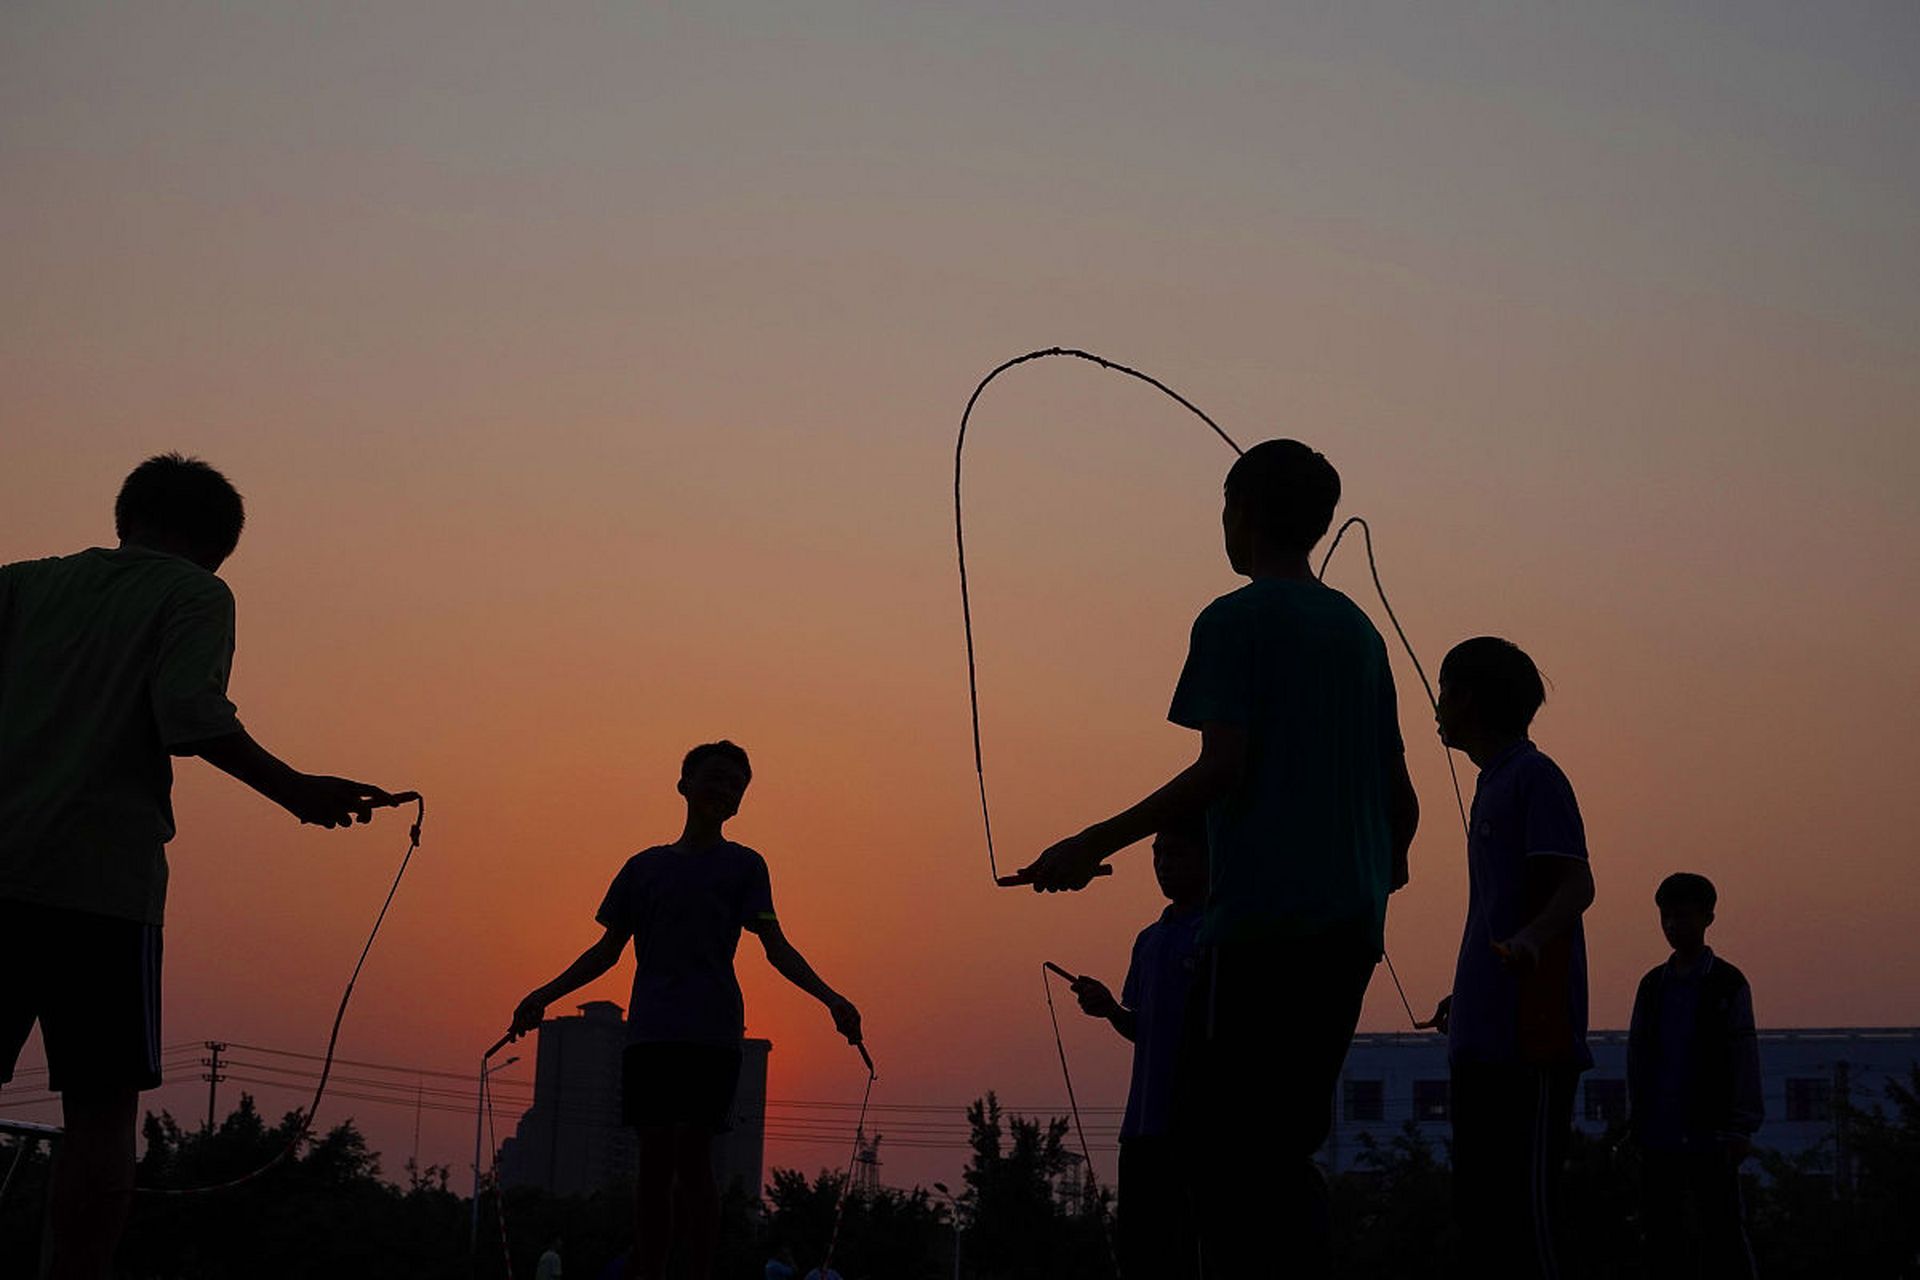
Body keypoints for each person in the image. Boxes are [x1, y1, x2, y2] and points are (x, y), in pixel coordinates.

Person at [1013, 439, 1420, 1276]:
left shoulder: (1232, 620)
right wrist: (1375, 880)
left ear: (1242, 511)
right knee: (1285, 1152)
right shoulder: (1361, 634)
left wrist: (1091, 843)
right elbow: (1401, 800)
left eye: (1225, 506)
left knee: (1223, 1160)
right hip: (1350, 933)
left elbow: (1221, 768)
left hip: (1260, 930)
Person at [0, 454, 402, 1280]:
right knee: (102, 1111)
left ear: (126, 515)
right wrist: (297, 790)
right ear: (219, 546)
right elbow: (188, 714)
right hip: (100, 888)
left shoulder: (19, 586)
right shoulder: (193, 594)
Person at [507, 741, 863, 1280]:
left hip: (712, 1033)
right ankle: (649, 1268)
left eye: (735, 785)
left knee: (695, 1160)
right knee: (653, 1165)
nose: (724, 790)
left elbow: (775, 945)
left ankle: (698, 1271)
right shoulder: (641, 868)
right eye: (715, 778)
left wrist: (832, 998)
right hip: (651, 1032)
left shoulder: (746, 866)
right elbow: (606, 952)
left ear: (739, 802)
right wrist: (543, 995)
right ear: (684, 786)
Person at [1423, 636, 1594, 1279]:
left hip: (1531, 1039)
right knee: (1483, 1219)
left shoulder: (1533, 776)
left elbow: (1577, 885)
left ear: (1467, 698)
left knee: (1528, 1221)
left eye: (1445, 690)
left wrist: (1530, 939)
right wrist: (1465, 995)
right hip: (1481, 1037)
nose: (1437, 706)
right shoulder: (1494, 783)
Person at [1069, 813, 1206, 1280]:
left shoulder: (1218, 935)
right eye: (1158, 855)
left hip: (1196, 1127)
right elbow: (1143, 1030)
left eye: (1176, 854)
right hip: (1142, 1127)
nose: (1164, 865)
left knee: (1189, 1251)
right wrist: (1110, 1009)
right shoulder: (1149, 941)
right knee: (1143, 1253)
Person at [1628, 872, 1762, 1280]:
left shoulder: (1727, 984)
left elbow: (1743, 1056)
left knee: (1721, 1233)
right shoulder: (1652, 986)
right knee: (1663, 1235)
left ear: (1707, 918)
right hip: (1660, 1135)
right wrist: (1639, 1122)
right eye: (1666, 917)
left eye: (1683, 917)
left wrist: (1741, 1127)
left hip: (1712, 1134)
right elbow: (1637, 1059)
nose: (1673, 926)